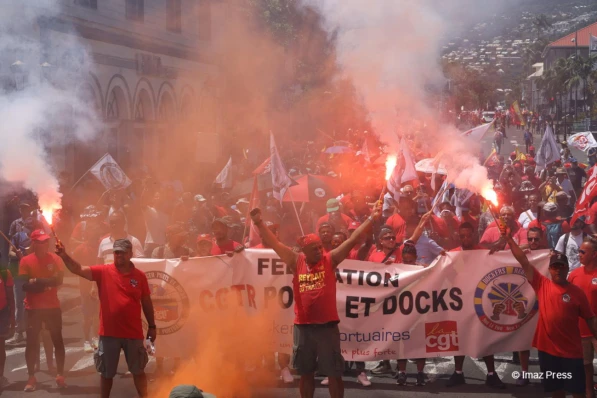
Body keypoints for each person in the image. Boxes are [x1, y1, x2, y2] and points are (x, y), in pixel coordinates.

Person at [249, 201, 382, 398]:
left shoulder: (330, 259)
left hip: (327, 328)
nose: (319, 251)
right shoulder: (296, 261)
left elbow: (353, 239)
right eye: (314, 249)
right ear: (304, 251)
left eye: (320, 247)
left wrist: (372, 217)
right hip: (303, 328)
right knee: (306, 373)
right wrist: (259, 223)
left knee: (334, 373)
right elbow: (276, 245)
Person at [505, 225, 597, 398]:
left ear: (566, 268)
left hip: (572, 353)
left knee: (578, 392)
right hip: (548, 353)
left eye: (562, 267)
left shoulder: (577, 293)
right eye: (555, 267)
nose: (558, 270)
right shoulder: (542, 284)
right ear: (550, 268)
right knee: (556, 392)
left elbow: (591, 319)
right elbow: (523, 261)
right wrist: (510, 240)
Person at [56, 239, 156, 398]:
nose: (119, 255)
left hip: (134, 333)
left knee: (138, 371)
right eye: (116, 252)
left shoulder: (140, 276)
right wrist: (64, 255)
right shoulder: (103, 271)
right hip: (109, 333)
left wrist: (152, 326)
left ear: (130, 253)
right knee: (106, 374)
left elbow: (146, 302)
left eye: (123, 252)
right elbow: (79, 269)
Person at [447, 222, 505, 389]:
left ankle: (492, 374)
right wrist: (443, 259)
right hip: (460, 304)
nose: (465, 238)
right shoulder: (453, 254)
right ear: (459, 236)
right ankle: (458, 373)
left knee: (484, 338)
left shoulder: (483, 253)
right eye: (462, 236)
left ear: (474, 235)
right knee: (459, 338)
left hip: (480, 302)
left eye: (468, 235)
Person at [19, 229, 67, 391]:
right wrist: (45, 285)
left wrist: (37, 281)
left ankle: (60, 374)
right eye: (40, 242)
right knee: (32, 343)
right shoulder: (25, 260)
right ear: (34, 243)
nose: (44, 244)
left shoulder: (55, 258)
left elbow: (58, 279)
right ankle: (31, 377)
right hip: (33, 308)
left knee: (57, 340)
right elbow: (25, 285)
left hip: (52, 307)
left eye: (46, 241)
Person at [568, 235, 597, 398]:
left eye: (582, 251)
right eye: (579, 251)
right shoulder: (574, 275)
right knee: (585, 365)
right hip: (580, 329)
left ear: (594, 254)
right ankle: (589, 393)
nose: (579, 254)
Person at [0, 267, 15, 388]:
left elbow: (11, 298)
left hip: (2, 313)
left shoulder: (4, 273)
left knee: (0, 346)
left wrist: (12, 319)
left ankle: (0, 377)